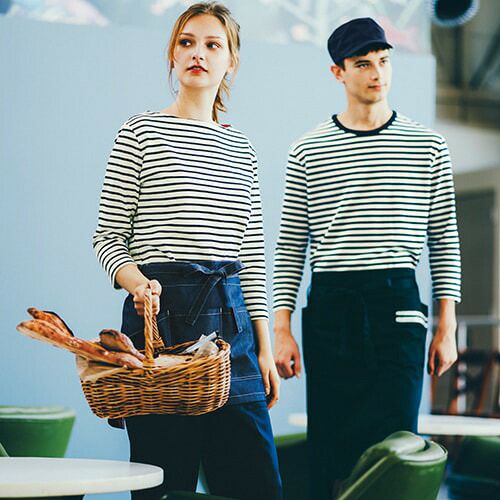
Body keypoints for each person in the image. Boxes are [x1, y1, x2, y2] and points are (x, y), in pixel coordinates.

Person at [92, 3, 282, 499]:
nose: (198, 53)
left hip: (233, 332)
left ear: (230, 62)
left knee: (255, 487)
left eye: (213, 45)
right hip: (159, 327)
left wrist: (264, 347)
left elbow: (251, 259)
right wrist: (137, 284)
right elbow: (108, 239)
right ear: (172, 56)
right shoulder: (139, 132)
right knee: (162, 485)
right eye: (186, 42)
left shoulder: (243, 148)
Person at [272, 17, 461, 499]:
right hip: (331, 306)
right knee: (330, 452)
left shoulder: (428, 145)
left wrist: (447, 326)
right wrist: (281, 328)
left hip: (398, 304)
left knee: (396, 448)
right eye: (363, 64)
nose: (377, 73)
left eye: (383, 61)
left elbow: (444, 239)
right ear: (338, 72)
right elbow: (291, 244)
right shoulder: (307, 149)